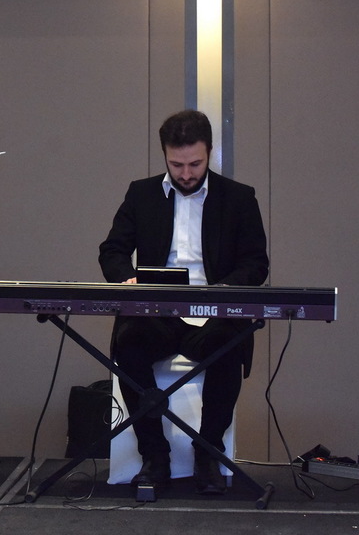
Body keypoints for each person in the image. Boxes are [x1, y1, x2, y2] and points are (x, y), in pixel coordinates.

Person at [98, 109, 269, 495]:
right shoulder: (141, 194)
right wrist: (126, 278)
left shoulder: (239, 198)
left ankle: (207, 452)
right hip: (158, 313)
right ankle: (154, 455)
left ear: (209, 152)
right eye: (176, 165)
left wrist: (222, 290)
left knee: (228, 345)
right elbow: (113, 249)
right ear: (164, 155)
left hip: (213, 313)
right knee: (128, 345)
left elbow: (256, 263)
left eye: (195, 164)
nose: (187, 174)